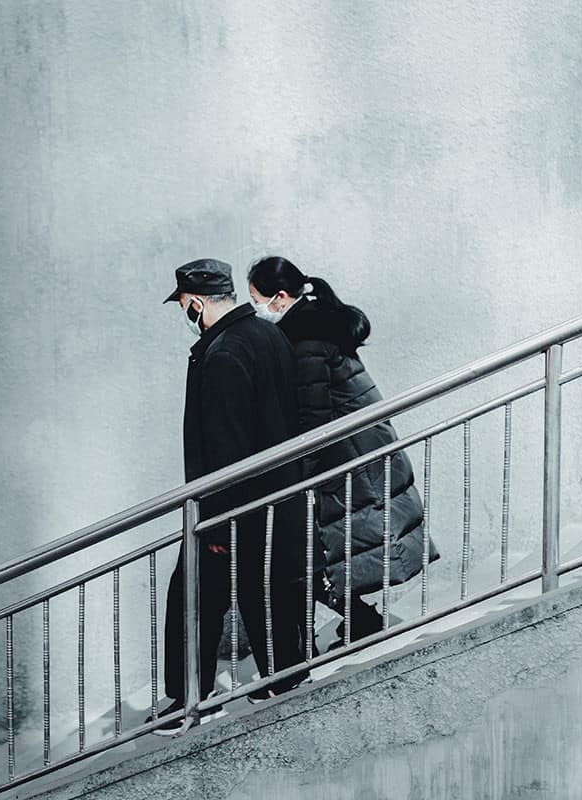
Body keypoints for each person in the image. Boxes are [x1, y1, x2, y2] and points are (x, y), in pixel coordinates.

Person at [151, 258, 309, 733]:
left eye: (183, 303)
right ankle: (286, 675)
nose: (184, 311)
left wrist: (217, 522)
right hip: (276, 496)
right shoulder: (267, 335)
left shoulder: (221, 355)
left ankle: (189, 701)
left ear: (195, 302)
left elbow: (225, 445)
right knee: (267, 588)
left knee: (192, 597)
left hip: (229, 507)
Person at [247, 255, 438, 646]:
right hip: (359, 452)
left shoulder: (305, 341)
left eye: (257, 300)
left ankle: (361, 621)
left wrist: (301, 476)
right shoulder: (315, 323)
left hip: (347, 459)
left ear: (280, 297)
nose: (256, 310)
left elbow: (315, 416)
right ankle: (361, 620)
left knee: (315, 551)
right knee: (326, 550)